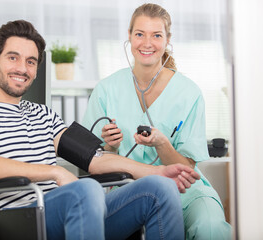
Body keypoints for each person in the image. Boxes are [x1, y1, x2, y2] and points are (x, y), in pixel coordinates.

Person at [0, 19, 200, 240]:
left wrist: (157, 170)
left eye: (31, 61)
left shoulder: (43, 114)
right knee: (85, 189)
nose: (22, 69)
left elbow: (95, 159)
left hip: (70, 210)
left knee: (160, 188)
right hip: (13, 220)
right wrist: (54, 172)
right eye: (13, 58)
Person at [82, 3, 232, 240]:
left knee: (210, 228)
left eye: (156, 35)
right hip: (128, 190)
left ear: (167, 40)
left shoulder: (188, 92)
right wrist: (109, 146)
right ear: (129, 37)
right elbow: (88, 159)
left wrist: (162, 143)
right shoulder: (106, 90)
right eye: (139, 34)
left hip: (184, 190)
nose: (147, 43)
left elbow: (187, 168)